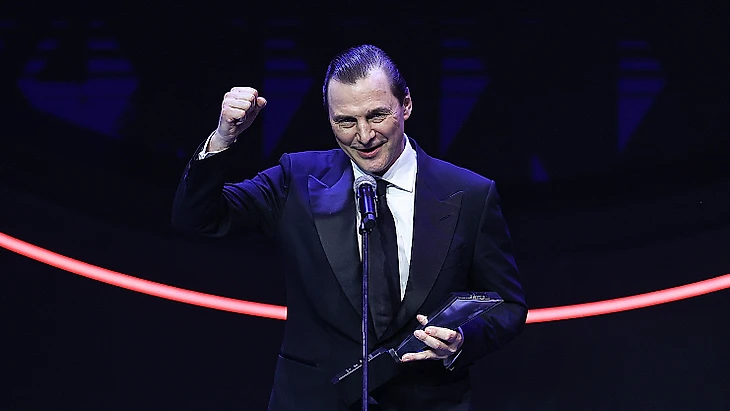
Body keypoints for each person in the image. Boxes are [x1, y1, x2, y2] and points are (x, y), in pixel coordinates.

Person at [172, 44, 527, 411]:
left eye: (377, 115)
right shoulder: (296, 180)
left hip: (427, 400)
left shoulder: (470, 194)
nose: (364, 135)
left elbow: (509, 305)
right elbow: (197, 218)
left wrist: (462, 339)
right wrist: (224, 137)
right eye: (345, 121)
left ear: (405, 104)